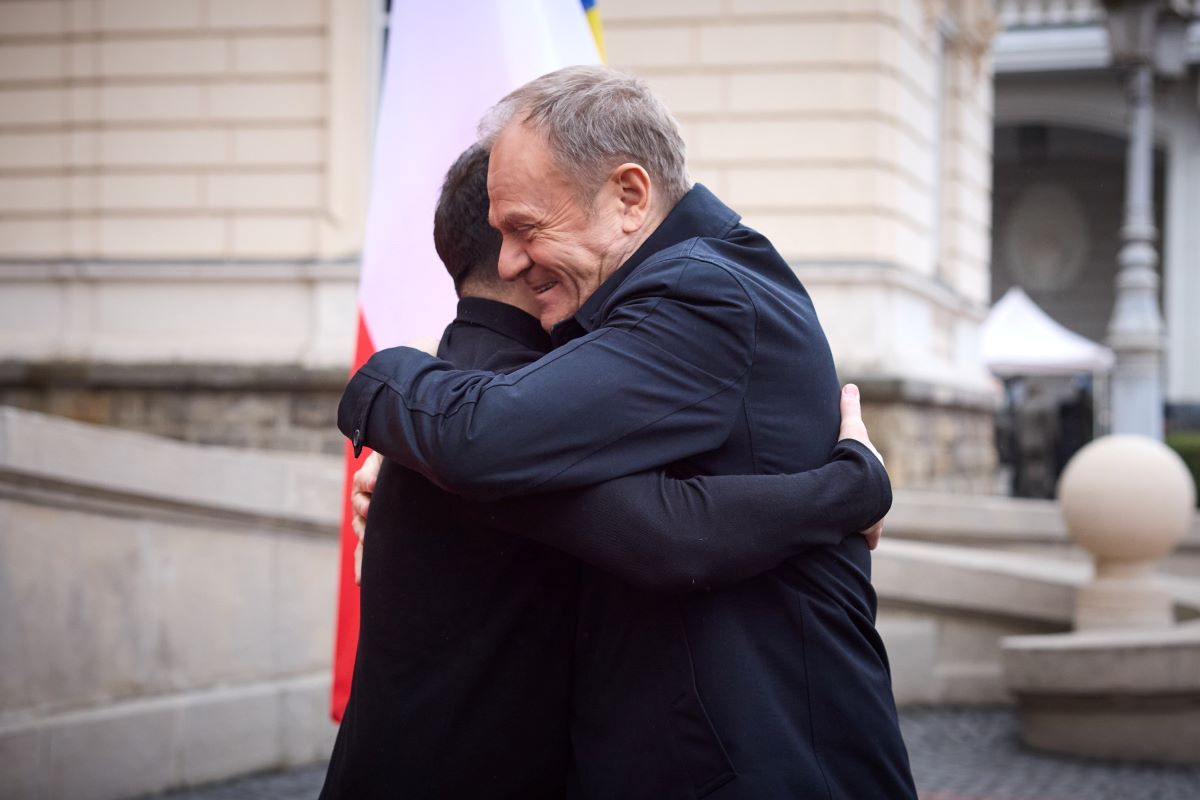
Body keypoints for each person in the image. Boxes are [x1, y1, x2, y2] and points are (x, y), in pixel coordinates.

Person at [338, 66, 916, 799]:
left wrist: (379, 381)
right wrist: (844, 490)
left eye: (525, 228)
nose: (511, 262)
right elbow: (622, 511)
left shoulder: (700, 294)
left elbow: (496, 444)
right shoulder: (663, 297)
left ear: (629, 198)